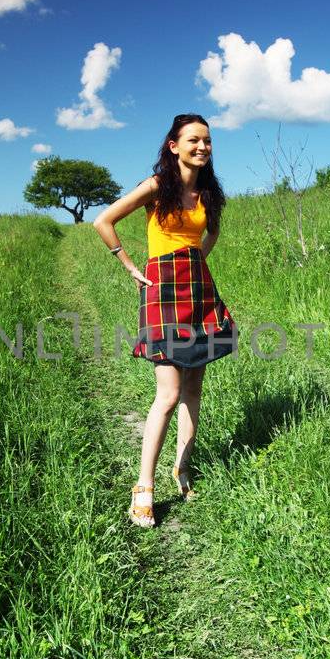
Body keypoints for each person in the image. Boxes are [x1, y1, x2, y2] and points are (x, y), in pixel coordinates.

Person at [93, 114, 236, 528]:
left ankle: (182, 469)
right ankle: (143, 486)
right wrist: (128, 265)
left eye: (207, 141)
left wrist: (196, 262)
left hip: (198, 288)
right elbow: (104, 220)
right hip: (163, 292)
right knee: (168, 394)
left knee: (195, 386)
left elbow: (212, 233)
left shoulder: (209, 193)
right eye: (194, 140)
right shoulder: (157, 187)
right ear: (174, 145)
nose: (203, 147)